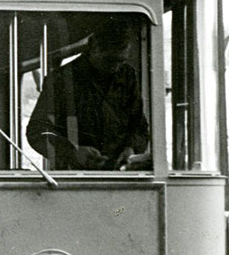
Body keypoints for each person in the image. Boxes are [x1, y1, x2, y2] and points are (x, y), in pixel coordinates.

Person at [26, 23, 150, 170]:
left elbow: (139, 126)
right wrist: (72, 152)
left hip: (120, 174)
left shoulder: (127, 76)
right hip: (75, 176)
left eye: (121, 61)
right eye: (110, 60)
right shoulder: (61, 79)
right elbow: (37, 131)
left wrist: (132, 148)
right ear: (94, 49)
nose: (115, 68)